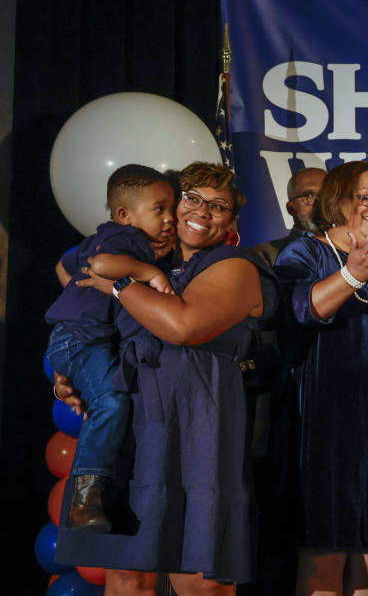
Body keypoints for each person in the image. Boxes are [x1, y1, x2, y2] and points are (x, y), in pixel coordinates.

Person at [55, 161, 277, 596]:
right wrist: (75, 373)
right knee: (128, 575)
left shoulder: (237, 265)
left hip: (201, 426)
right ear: (171, 206)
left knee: (201, 579)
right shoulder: (135, 258)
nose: (203, 212)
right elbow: (72, 287)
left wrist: (119, 286)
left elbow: (183, 327)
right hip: (134, 422)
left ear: (231, 222)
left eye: (219, 207)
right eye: (192, 199)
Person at [273, 161, 368, 596]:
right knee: (325, 552)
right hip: (323, 415)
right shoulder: (305, 251)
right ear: (338, 202)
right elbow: (303, 310)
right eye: (367, 198)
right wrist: (353, 273)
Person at [45, 164, 176, 533]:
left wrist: (78, 295)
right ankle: (83, 500)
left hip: (78, 336)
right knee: (111, 403)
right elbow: (102, 265)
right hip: (82, 339)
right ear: (124, 214)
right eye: (159, 209)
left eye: (171, 209)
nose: (169, 218)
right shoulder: (129, 241)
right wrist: (150, 273)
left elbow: (63, 265)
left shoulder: (102, 235)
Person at [255, 166, 327, 264]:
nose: (318, 203)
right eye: (308, 195)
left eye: (326, 194)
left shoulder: (352, 249)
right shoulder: (265, 253)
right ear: (290, 208)